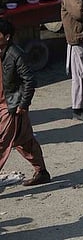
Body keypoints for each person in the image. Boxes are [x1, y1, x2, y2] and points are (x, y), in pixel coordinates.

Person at [0, 19, 50, 186]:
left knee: (2, 143)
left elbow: (29, 80)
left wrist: (23, 105)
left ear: (6, 37)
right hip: (5, 104)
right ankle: (42, 172)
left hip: (11, 106)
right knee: (24, 141)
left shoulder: (15, 54)